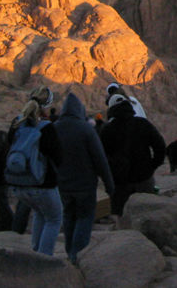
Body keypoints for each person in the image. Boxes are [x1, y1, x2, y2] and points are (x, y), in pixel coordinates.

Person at [54, 91, 115, 263]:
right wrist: (109, 185)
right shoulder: (86, 130)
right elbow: (100, 159)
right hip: (85, 185)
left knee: (68, 216)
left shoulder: (54, 128)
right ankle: (78, 254)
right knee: (85, 217)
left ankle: (69, 251)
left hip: (63, 185)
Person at [7, 100, 62, 255]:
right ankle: (44, 258)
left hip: (19, 182)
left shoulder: (17, 126)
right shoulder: (46, 128)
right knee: (54, 219)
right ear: (43, 110)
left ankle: (35, 251)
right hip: (42, 183)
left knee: (40, 213)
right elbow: (57, 156)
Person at [99, 94, 165, 215]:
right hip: (144, 179)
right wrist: (151, 166)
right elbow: (160, 146)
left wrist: (110, 175)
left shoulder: (107, 130)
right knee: (149, 214)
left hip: (120, 184)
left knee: (122, 217)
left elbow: (101, 157)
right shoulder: (143, 124)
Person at [11, 85, 55, 234]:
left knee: (23, 206)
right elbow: (53, 153)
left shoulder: (17, 122)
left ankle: (16, 235)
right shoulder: (45, 125)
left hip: (17, 173)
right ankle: (40, 250)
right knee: (49, 217)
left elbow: (9, 144)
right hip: (38, 176)